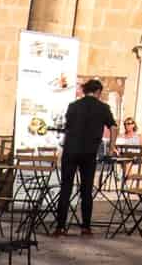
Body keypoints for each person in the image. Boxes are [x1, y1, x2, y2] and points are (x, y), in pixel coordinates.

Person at [53, 79, 115, 235]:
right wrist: (110, 149)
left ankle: (60, 226)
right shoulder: (103, 107)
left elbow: (68, 127)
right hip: (89, 152)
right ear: (98, 92)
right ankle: (86, 227)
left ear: (85, 90)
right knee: (86, 189)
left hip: (71, 151)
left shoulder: (73, 106)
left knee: (66, 188)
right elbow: (113, 127)